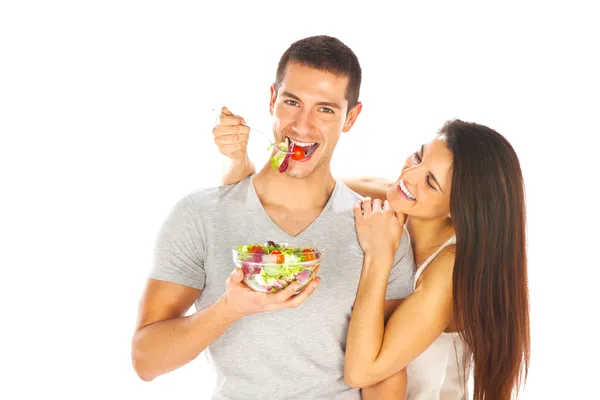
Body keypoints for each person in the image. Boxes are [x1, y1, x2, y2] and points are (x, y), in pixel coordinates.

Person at [131, 35, 415, 400]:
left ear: (351, 118)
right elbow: (145, 361)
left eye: (325, 109)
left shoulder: (378, 232)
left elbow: (384, 375)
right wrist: (228, 309)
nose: (302, 125)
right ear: (271, 100)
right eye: (292, 102)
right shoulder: (200, 216)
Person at [220, 119, 531, 399]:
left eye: (431, 182)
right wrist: (239, 157)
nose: (408, 177)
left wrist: (378, 255)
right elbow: (277, 195)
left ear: (459, 209)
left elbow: (362, 372)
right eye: (418, 157)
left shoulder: (448, 271)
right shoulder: (390, 197)